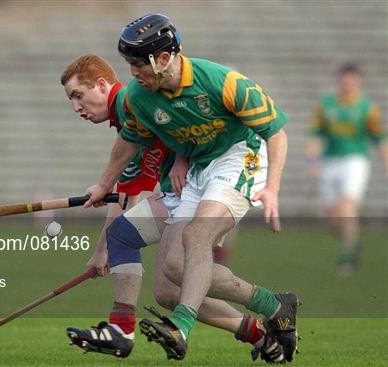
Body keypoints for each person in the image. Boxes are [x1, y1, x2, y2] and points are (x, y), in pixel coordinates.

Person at [83, 14, 299, 361]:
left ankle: (181, 327)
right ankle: (274, 306)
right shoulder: (139, 96)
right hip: (199, 168)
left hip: (240, 156)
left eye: (139, 63)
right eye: (130, 63)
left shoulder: (223, 82)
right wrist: (103, 183)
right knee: (172, 276)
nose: (133, 73)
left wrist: (272, 188)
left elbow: (276, 132)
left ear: (164, 58)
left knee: (196, 236)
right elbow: (128, 141)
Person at [307, 63, 387, 277]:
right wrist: (312, 161)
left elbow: (380, 139)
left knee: (347, 204)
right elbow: (316, 135)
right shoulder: (326, 105)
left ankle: (348, 257)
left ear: (358, 82)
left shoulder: (368, 108)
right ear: (339, 81)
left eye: (352, 80)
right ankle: (354, 243)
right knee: (333, 219)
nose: (347, 84)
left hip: (355, 160)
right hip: (330, 161)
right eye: (344, 79)